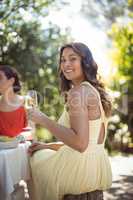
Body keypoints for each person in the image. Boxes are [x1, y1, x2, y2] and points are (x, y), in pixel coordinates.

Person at [28, 42, 112, 200]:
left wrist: (42, 119)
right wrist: (46, 146)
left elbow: (80, 144)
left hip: (77, 174)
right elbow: (86, 144)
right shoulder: (93, 91)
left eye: (72, 58)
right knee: (39, 152)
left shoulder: (78, 93)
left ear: (85, 62)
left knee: (32, 160)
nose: (66, 64)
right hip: (92, 171)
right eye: (62, 60)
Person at [0, 64, 27, 138]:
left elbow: (32, 131)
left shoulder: (27, 101)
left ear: (11, 80)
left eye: (0, 78)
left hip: (23, 147)